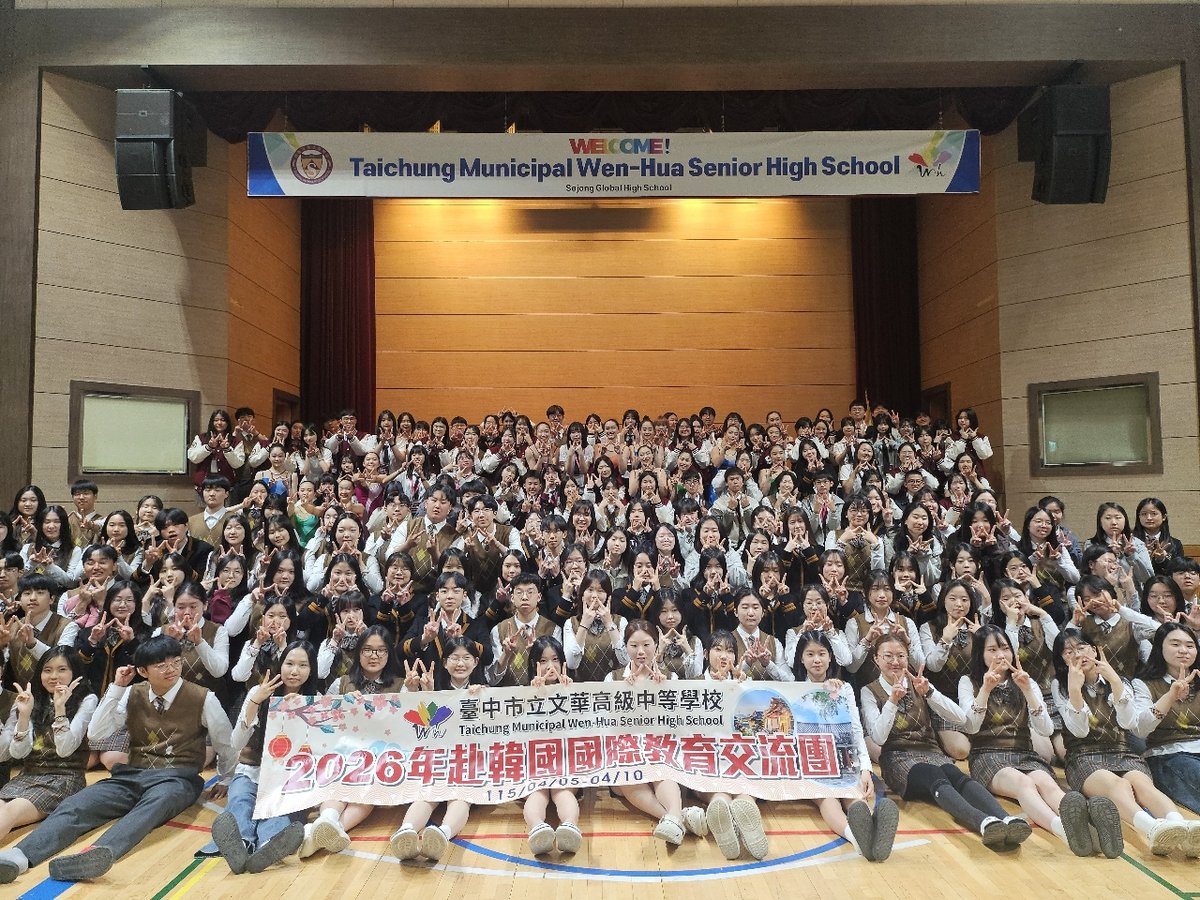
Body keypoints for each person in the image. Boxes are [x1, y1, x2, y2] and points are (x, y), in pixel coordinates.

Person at [0, 635, 233, 884]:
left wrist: (226, 777)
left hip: (178, 777)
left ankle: (95, 856)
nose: (171, 669)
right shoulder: (132, 692)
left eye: (176, 662)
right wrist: (117, 688)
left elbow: (224, 741)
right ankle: (20, 855)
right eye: (161, 665)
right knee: (77, 804)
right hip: (131, 774)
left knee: (152, 807)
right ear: (143, 671)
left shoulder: (203, 697)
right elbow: (97, 733)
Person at [960, 624, 1120, 857]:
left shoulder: (1026, 681)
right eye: (992, 650)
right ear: (980, 654)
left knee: (1048, 784)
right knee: (1023, 784)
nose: (1000, 655)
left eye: (1005, 648)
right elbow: (971, 726)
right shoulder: (969, 682)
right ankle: (1064, 831)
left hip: (1023, 752)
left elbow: (1045, 728)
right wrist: (985, 689)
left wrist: (1028, 692)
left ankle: (1091, 826)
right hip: (987, 755)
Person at [860, 632, 1028, 850]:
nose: (895, 661)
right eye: (888, 656)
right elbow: (879, 737)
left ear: (908, 657)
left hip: (932, 752)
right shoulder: (869, 691)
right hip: (897, 758)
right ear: (876, 659)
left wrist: (930, 692)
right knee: (934, 775)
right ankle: (983, 822)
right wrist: (892, 701)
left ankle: (1006, 819)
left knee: (956, 774)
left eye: (901, 656)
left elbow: (961, 718)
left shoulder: (919, 683)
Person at [1052, 628, 1198, 856]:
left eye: (1081, 647)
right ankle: (1151, 829)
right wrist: (1074, 689)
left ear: (1094, 650)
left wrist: (1115, 681)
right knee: (1119, 786)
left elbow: (1129, 722)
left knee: (1143, 786)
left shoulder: (1120, 681)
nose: (1078, 654)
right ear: (1062, 659)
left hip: (1121, 750)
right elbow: (1079, 731)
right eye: (1068, 652)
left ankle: (1181, 827)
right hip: (1083, 755)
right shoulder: (1060, 685)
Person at [793, 629, 900, 861]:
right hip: (811, 760)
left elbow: (855, 731)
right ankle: (857, 838)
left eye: (822, 653)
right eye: (810, 654)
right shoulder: (793, 690)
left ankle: (872, 832)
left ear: (830, 657)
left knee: (854, 795)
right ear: (801, 658)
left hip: (842, 759)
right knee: (826, 798)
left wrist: (865, 769)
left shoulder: (844, 689)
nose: (817, 659)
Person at [209, 642, 313, 874]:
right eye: (289, 664)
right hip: (252, 769)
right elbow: (236, 743)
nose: (294, 671)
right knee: (240, 800)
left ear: (311, 670)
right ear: (280, 665)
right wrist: (255, 702)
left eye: (303, 665)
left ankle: (269, 845)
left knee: (276, 808)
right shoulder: (258, 692)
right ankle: (240, 845)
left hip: (289, 778)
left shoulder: (317, 700)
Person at [387, 636, 485, 862]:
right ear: (444, 662)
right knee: (426, 794)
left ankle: (442, 834)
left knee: (460, 797)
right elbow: (413, 723)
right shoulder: (433, 688)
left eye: (466, 658)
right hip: (436, 761)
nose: (460, 663)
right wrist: (422, 692)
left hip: (469, 762)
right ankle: (406, 831)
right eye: (454, 658)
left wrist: (483, 696)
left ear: (476, 662)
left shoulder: (484, 691)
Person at [0, 647, 95, 842]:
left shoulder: (86, 700)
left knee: (12, 810)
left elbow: (65, 749)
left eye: (62, 669)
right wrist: (24, 716)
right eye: (47, 670)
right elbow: (17, 753)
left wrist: (60, 709)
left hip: (64, 778)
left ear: (74, 672)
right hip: (28, 775)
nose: (53, 676)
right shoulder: (31, 699)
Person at [521, 635, 583, 855]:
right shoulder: (522, 693)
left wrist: (570, 695)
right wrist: (533, 696)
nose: (550, 666)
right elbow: (516, 730)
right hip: (533, 762)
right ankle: (538, 828)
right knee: (537, 792)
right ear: (534, 664)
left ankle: (570, 827)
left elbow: (585, 728)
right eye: (543, 660)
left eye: (555, 659)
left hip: (566, 760)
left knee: (562, 790)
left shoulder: (574, 690)